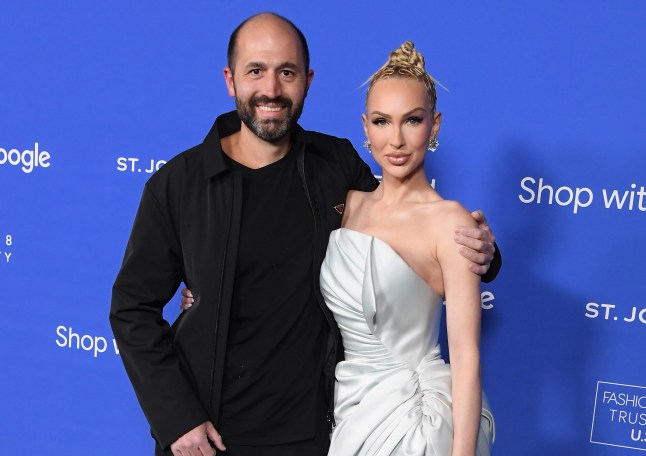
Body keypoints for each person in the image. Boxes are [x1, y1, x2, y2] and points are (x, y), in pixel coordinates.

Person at [111, 12, 500, 456]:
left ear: (308, 80)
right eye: (255, 70)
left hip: (317, 434)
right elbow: (131, 308)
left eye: (287, 72)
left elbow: (404, 224)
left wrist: (485, 251)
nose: (271, 90)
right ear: (230, 80)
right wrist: (176, 419)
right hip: (208, 432)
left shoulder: (334, 164)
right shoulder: (178, 184)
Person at [318, 42, 495, 455]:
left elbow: (466, 357)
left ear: (434, 126)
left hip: (417, 424)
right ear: (365, 127)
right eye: (382, 122)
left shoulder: (450, 221)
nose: (395, 139)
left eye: (412, 121)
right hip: (351, 411)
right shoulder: (350, 206)